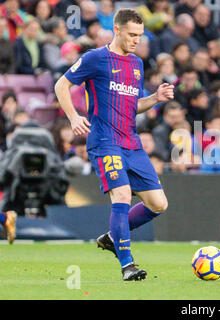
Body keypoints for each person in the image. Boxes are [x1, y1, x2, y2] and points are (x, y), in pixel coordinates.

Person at [54, 9, 175, 281]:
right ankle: (127, 265)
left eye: (140, 36)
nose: (136, 40)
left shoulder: (136, 64)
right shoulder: (95, 58)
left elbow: (133, 107)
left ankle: (112, 237)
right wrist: (74, 117)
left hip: (131, 142)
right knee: (121, 196)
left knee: (159, 204)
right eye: (132, 35)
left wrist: (155, 98)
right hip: (105, 141)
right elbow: (61, 85)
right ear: (117, 30)